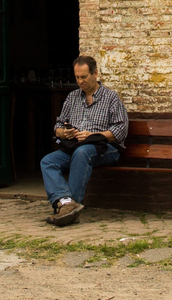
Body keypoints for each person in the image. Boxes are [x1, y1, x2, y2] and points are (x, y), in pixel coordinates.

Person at [40, 55, 128, 227]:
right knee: (48, 161)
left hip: (105, 148)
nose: (80, 81)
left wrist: (93, 136)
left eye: (84, 77)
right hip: (75, 146)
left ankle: (70, 206)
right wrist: (65, 133)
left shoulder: (111, 98)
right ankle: (67, 204)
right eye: (77, 77)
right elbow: (57, 126)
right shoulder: (72, 98)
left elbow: (121, 130)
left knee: (82, 152)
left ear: (95, 74)